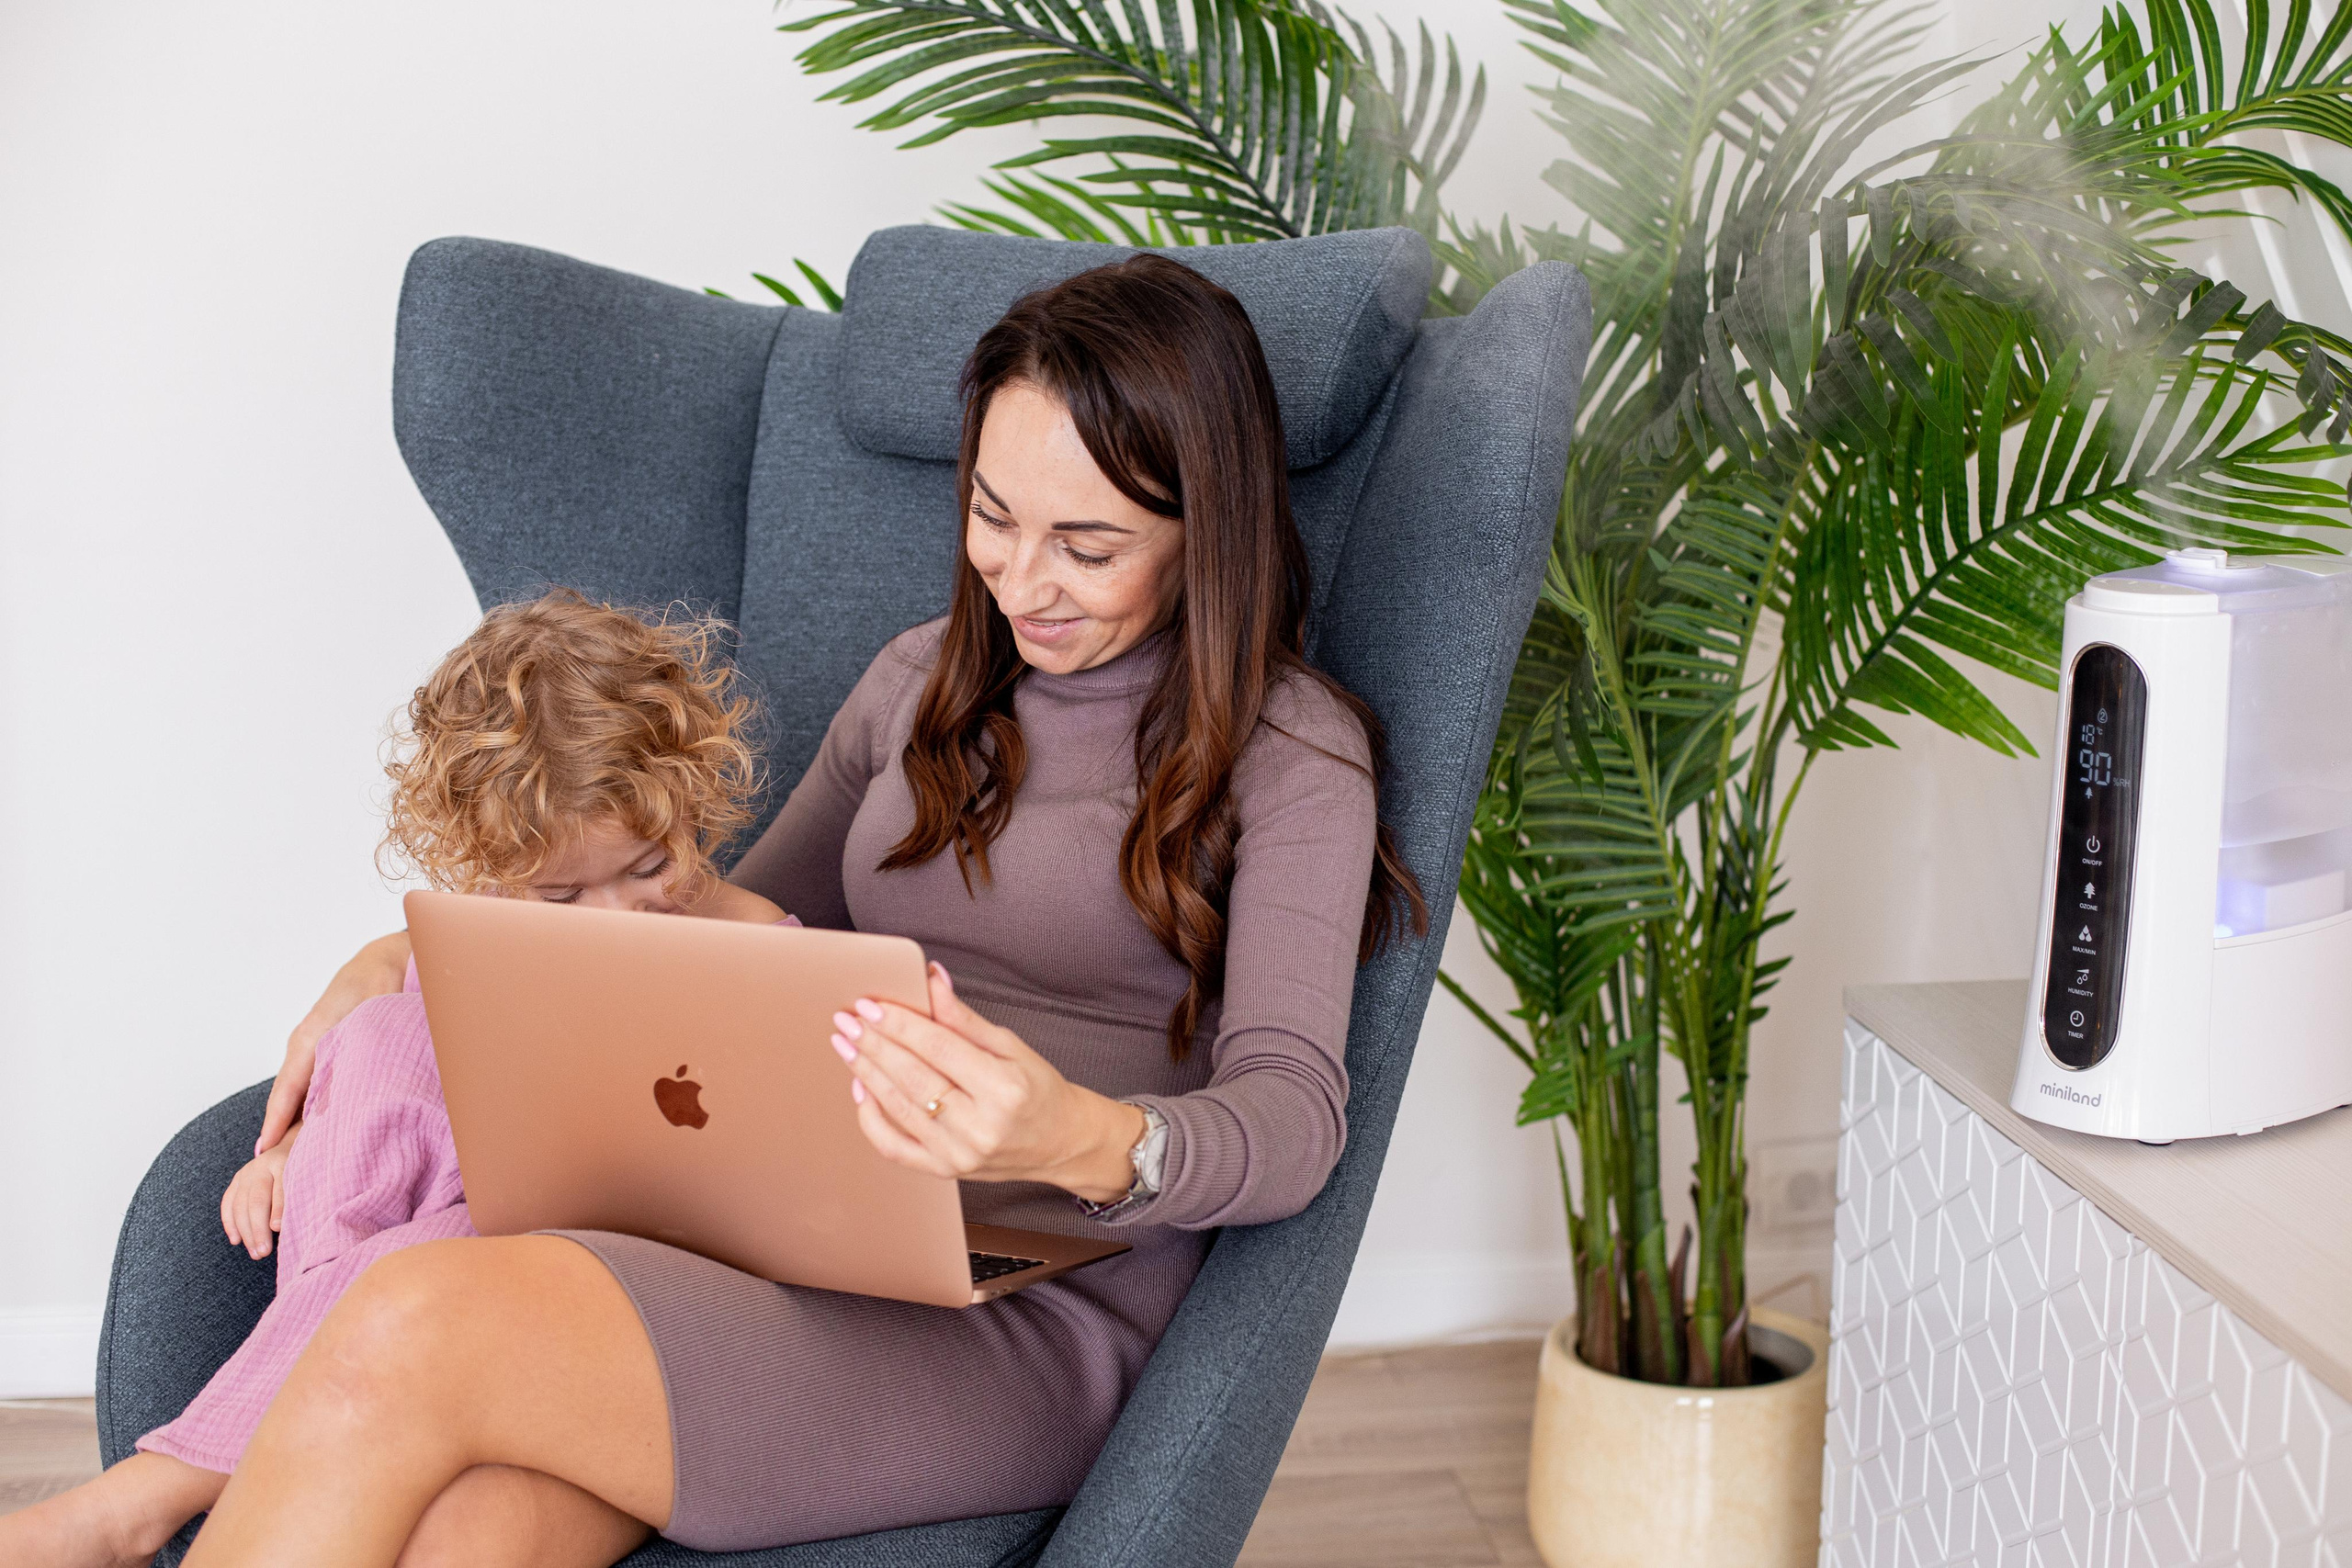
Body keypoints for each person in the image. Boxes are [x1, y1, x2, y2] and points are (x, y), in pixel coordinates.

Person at [162, 254, 1425, 1567]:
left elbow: (1294, 1118)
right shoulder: (918, 682)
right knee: (465, 1532)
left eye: (1088, 545)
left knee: (413, 1310)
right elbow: (716, 933)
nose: (1020, 577)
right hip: (781, 1226)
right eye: (992, 515)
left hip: (1026, 1300)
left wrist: (1079, 1133)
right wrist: (397, 960)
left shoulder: (1292, 752)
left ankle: (148, 1504)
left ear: (1204, 528)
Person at [0, 592, 786, 1568]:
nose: (612, 916)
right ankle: (331, 1407)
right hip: (412, 1257)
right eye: (559, 895)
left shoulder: (756, 950)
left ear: (691, 802)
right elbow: (405, 1108)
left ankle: (148, 1498)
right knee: (381, 1035)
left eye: (647, 866)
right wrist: (291, 1144)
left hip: (603, 1263)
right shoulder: (477, 952)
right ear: (488, 871)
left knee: (435, 1258)